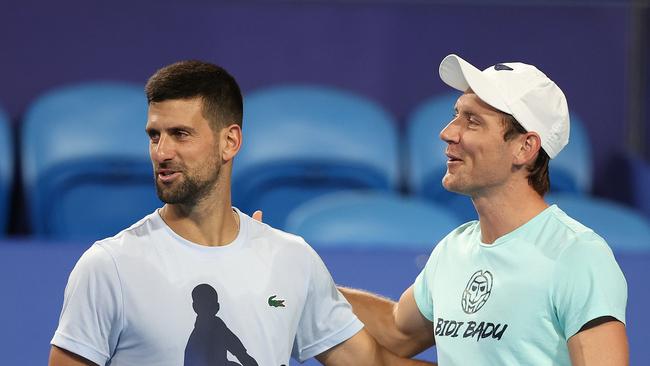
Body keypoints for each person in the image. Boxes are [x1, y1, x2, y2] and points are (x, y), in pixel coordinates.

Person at [48, 60, 435, 366]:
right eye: (154, 135)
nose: (161, 152)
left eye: (180, 134)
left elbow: (372, 363)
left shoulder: (291, 259)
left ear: (229, 142)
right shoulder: (109, 266)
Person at [337, 54, 629, 365]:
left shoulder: (577, 255)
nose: (448, 133)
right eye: (456, 115)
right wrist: (307, 286)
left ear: (524, 148)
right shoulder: (453, 249)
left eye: (472, 121)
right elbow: (397, 330)